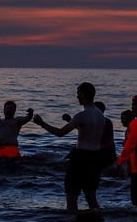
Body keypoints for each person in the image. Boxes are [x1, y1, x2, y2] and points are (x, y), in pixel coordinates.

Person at [33, 82, 105, 213]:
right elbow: (85, 129)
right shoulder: (100, 115)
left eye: (78, 93)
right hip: (95, 158)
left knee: (72, 196)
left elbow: (60, 133)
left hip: (81, 158)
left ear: (83, 94)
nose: (77, 96)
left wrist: (41, 123)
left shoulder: (81, 115)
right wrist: (70, 121)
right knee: (91, 197)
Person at [93, 101, 117, 170]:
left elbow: (107, 142)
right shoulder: (104, 121)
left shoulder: (105, 122)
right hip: (105, 152)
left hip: (106, 153)